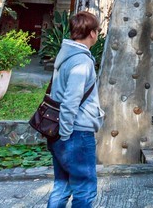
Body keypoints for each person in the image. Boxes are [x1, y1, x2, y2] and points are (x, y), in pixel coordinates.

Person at [47, 11, 105, 208]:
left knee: (62, 186)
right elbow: (71, 100)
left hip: (59, 131)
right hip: (75, 133)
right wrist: (65, 136)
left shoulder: (65, 55)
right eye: (97, 30)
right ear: (92, 34)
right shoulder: (82, 61)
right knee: (85, 189)